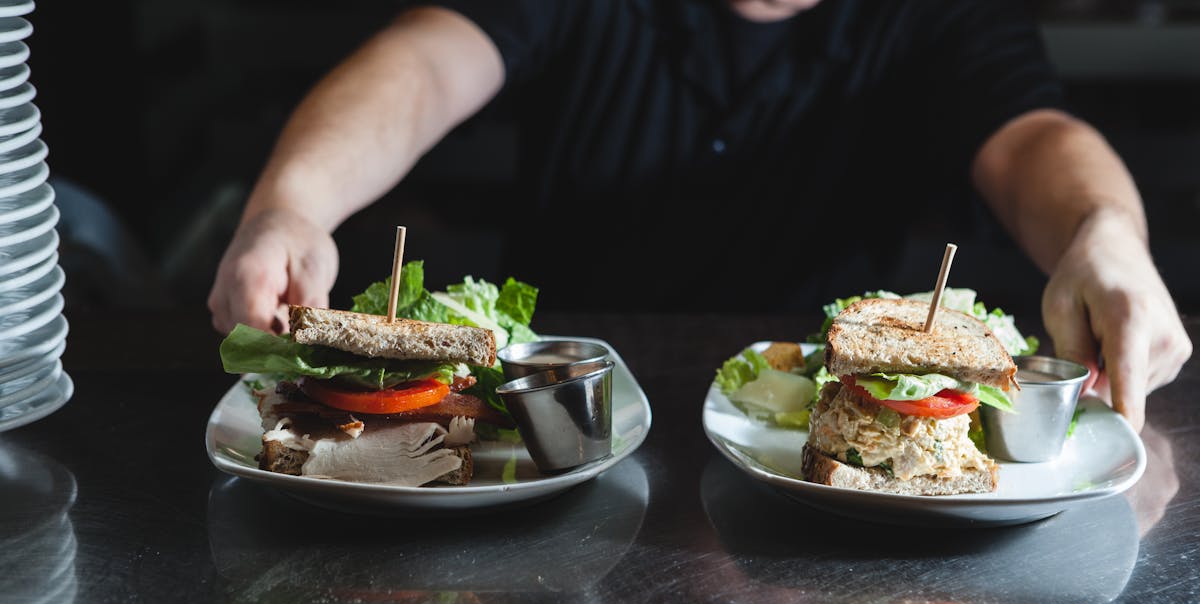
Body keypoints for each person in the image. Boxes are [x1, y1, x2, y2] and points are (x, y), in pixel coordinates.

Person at [206, 0, 1191, 431]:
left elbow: (1032, 140)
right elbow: (421, 67)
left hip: (818, 428)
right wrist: (291, 206)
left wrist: (1104, 230)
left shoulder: (940, 14)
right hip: (565, 421)